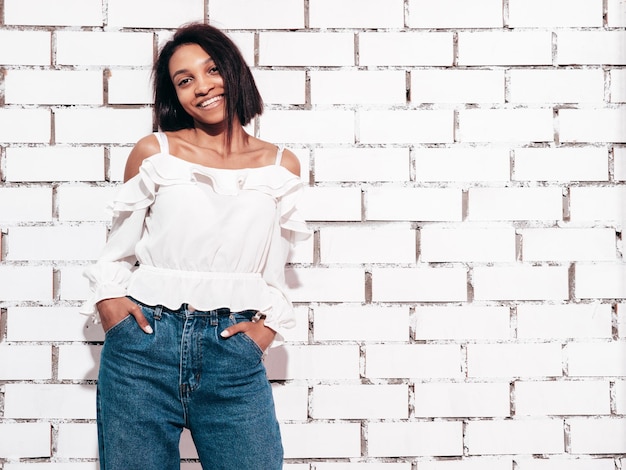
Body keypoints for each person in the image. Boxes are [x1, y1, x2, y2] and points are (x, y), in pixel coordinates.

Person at [81, 22, 309, 470]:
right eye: (185, 80)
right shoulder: (155, 152)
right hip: (143, 349)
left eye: (211, 70)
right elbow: (118, 249)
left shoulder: (281, 165)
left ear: (234, 71)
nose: (202, 87)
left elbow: (274, 269)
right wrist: (110, 303)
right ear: (175, 94)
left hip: (233, 352)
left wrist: (264, 330)